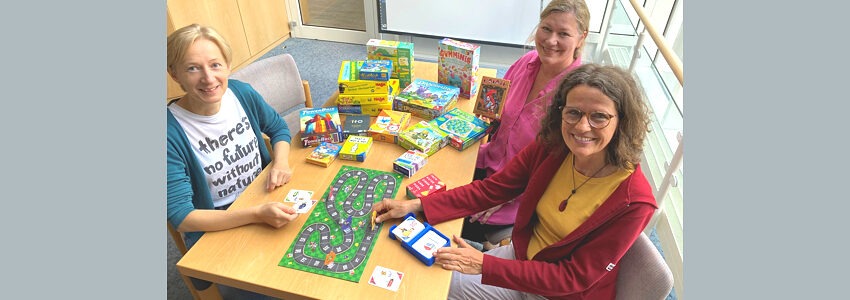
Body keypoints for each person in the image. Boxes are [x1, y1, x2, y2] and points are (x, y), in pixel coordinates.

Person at [374, 64, 656, 299]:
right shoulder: (552, 146)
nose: (582, 127)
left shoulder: (634, 200)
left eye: (599, 117)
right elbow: (491, 189)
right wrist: (416, 205)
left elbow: (572, 278)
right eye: (573, 113)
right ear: (561, 112)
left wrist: (485, 264)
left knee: (431, 287)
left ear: (622, 121)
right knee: (428, 274)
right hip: (522, 257)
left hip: (558, 293)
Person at [166, 24, 297, 299]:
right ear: (174, 73)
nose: (208, 78)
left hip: (263, 197)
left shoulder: (241, 92)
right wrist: (256, 214)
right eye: (193, 68)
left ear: (227, 65)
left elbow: (278, 129)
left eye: (215, 65)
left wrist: (280, 163)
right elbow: (182, 218)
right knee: (275, 288)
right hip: (219, 225)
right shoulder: (168, 132)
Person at [467, 0, 592, 249]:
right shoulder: (526, 62)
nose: (550, 40)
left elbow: (559, 168)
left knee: (437, 227)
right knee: (431, 185)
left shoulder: (578, 93)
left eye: (563, 34)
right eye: (546, 29)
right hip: (487, 163)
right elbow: (496, 114)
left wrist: (504, 196)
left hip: (520, 194)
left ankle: (496, 246)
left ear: (581, 38)